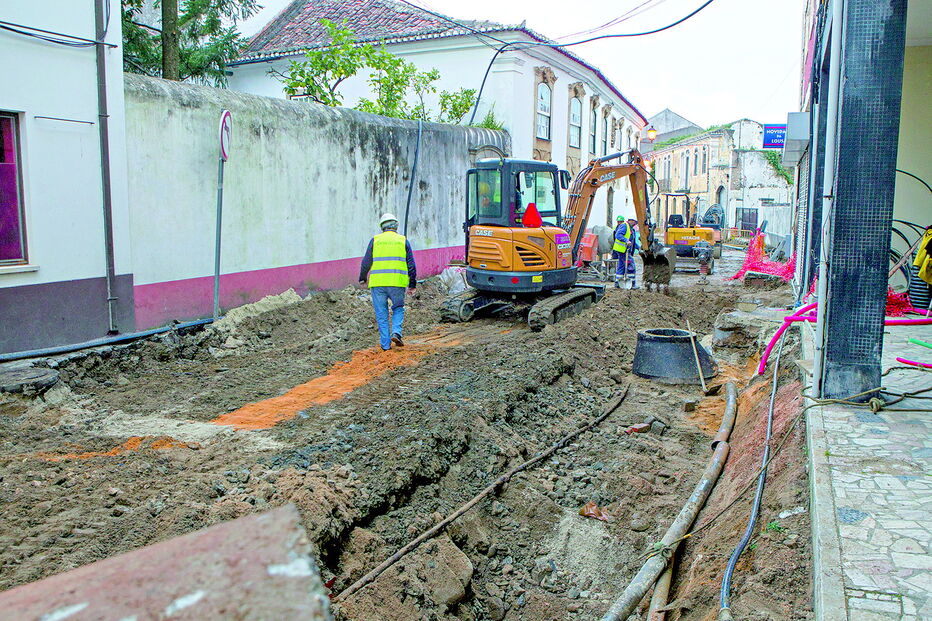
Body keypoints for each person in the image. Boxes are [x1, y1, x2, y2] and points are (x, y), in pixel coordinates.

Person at [359, 213, 417, 351]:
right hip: (397, 282)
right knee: (398, 308)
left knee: (381, 314)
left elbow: (366, 262)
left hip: (378, 283)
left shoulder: (375, 240)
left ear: (382, 227)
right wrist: (412, 284)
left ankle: (385, 346)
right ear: (396, 226)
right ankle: (396, 332)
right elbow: (411, 265)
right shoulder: (403, 241)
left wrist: (362, 277)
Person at [612, 214, 634, 289]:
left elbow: (631, 239)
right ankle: (632, 283)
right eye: (635, 222)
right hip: (622, 250)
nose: (635, 224)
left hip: (622, 250)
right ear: (631, 220)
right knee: (631, 265)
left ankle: (617, 283)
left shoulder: (630, 228)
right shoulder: (625, 226)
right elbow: (618, 235)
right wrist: (626, 240)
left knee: (621, 265)